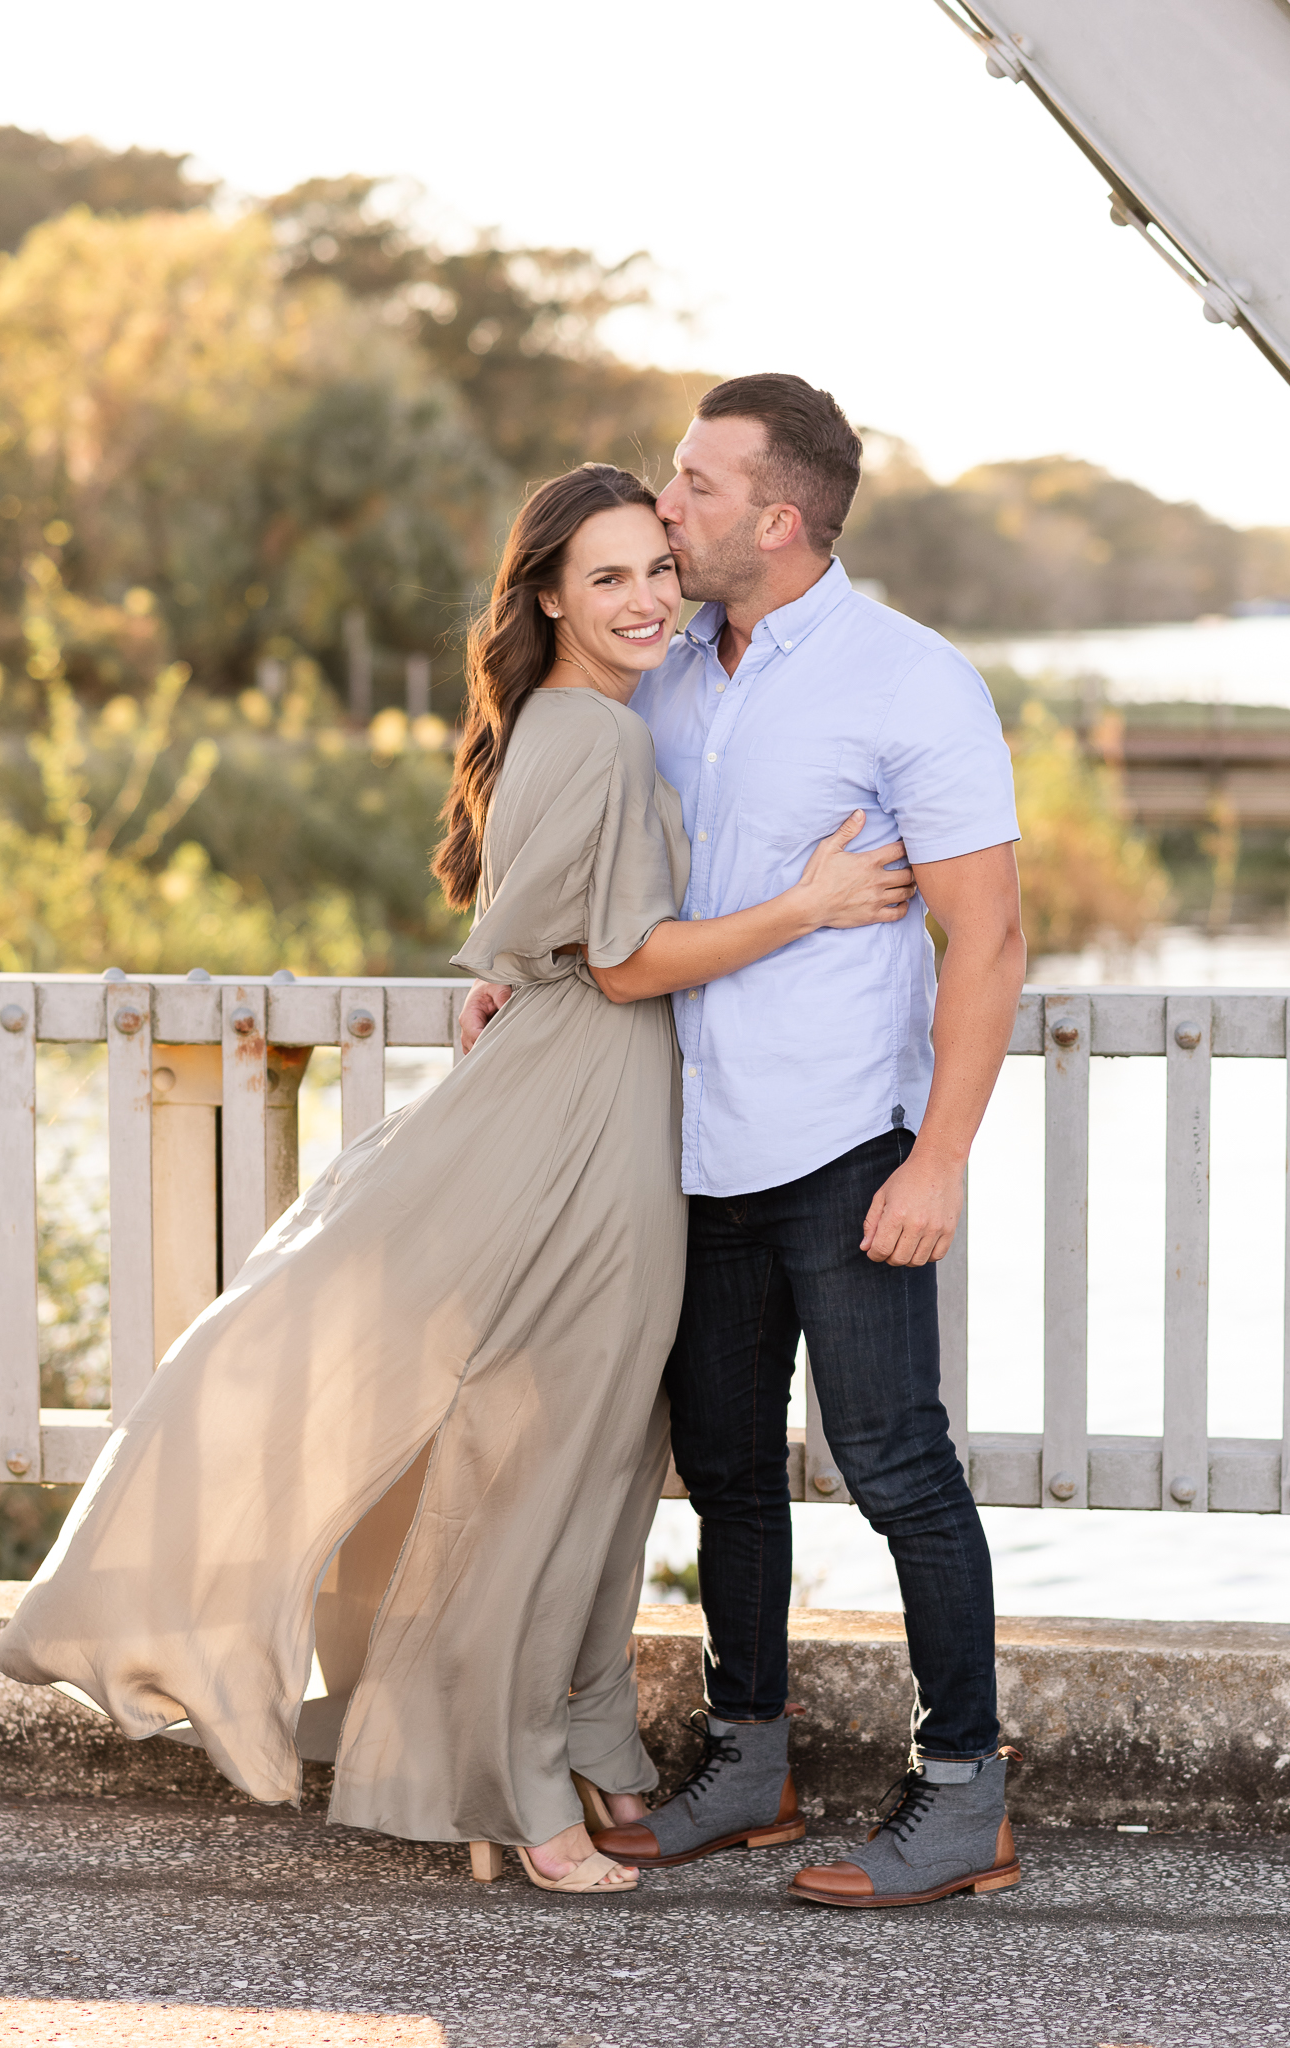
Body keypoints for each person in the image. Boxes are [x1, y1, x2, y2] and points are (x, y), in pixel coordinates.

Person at [0, 462, 911, 1899]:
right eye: (606, 577)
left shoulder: (577, 720)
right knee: (557, 1460)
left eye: (657, 570)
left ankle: (585, 1753)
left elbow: (536, 938)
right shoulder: (595, 737)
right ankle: (520, 1787)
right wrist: (808, 905)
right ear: (544, 592)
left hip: (581, 1096)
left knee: (582, 1452)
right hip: (581, 1114)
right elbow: (617, 962)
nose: (645, 599)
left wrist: (517, 981)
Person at [462, 376, 1029, 1909]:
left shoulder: (911, 681)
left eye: (696, 486)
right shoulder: (662, 671)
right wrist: (509, 981)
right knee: (724, 1475)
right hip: (676, 1145)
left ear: (776, 519)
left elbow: (987, 941)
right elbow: (589, 884)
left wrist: (941, 1157)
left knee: (898, 1466)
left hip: (843, 1141)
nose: (666, 503)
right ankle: (751, 1762)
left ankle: (962, 1793)